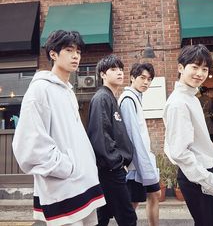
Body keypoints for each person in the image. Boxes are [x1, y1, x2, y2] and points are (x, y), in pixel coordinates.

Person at [12, 30, 106, 226]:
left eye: (78, 51)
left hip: (83, 184)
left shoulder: (67, 91)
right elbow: (28, 145)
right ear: (53, 54)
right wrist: (66, 166)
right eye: (69, 50)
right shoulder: (40, 89)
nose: (76, 56)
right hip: (62, 187)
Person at [162, 44, 213, 226]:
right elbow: (178, 152)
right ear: (180, 68)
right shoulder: (179, 103)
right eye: (194, 67)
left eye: (204, 69)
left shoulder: (191, 97)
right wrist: (212, 182)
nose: (200, 73)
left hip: (201, 172)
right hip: (199, 175)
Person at [87, 54, 137, 226]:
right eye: (113, 69)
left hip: (110, 169)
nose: (120, 73)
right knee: (128, 218)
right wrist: (117, 163)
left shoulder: (110, 97)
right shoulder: (102, 98)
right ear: (102, 75)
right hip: (111, 170)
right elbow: (101, 136)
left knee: (102, 217)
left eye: (121, 69)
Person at [118, 63, 161, 226]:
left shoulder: (135, 97)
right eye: (142, 78)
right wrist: (145, 168)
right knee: (132, 205)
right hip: (136, 165)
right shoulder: (129, 99)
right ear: (132, 78)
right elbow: (133, 137)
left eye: (149, 79)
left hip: (139, 163)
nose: (146, 82)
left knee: (152, 196)